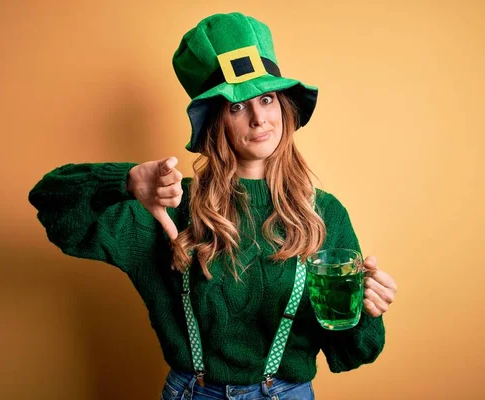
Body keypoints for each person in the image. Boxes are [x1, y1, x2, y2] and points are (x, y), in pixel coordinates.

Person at [29, 12, 397, 400]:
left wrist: (366, 311)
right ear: (213, 120)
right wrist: (125, 179)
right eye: (237, 106)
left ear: (283, 109)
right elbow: (52, 204)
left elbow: (353, 352)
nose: (258, 119)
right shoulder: (169, 208)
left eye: (267, 99)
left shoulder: (323, 213)